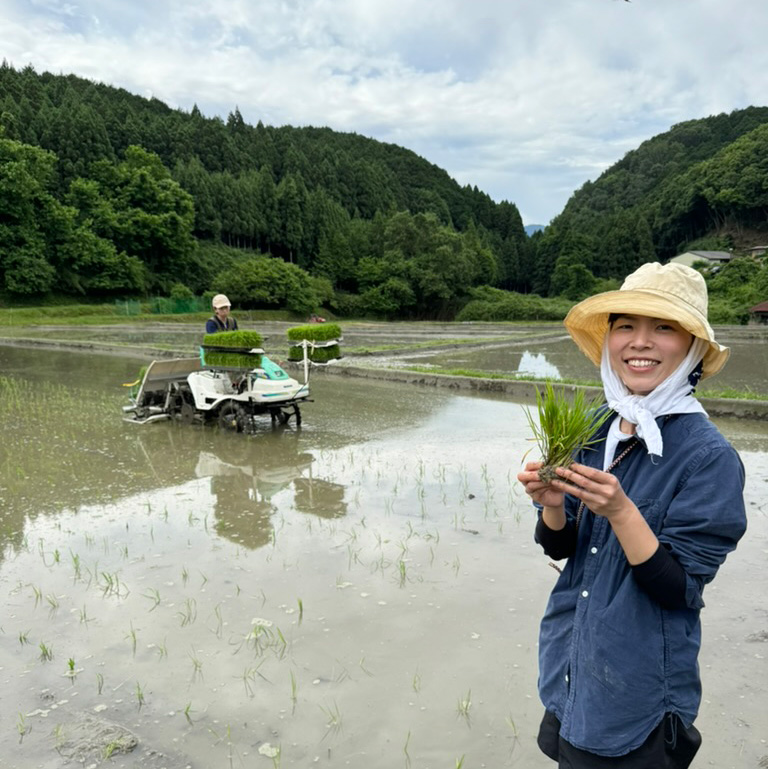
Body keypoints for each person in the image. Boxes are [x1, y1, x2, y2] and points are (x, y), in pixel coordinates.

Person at [517, 262, 747, 768]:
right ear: (609, 339)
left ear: (692, 349)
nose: (640, 342)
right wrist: (552, 507)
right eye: (626, 325)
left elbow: (679, 588)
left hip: (636, 696)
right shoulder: (597, 424)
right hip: (571, 663)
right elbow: (561, 546)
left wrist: (621, 511)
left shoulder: (708, 457)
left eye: (663, 327)